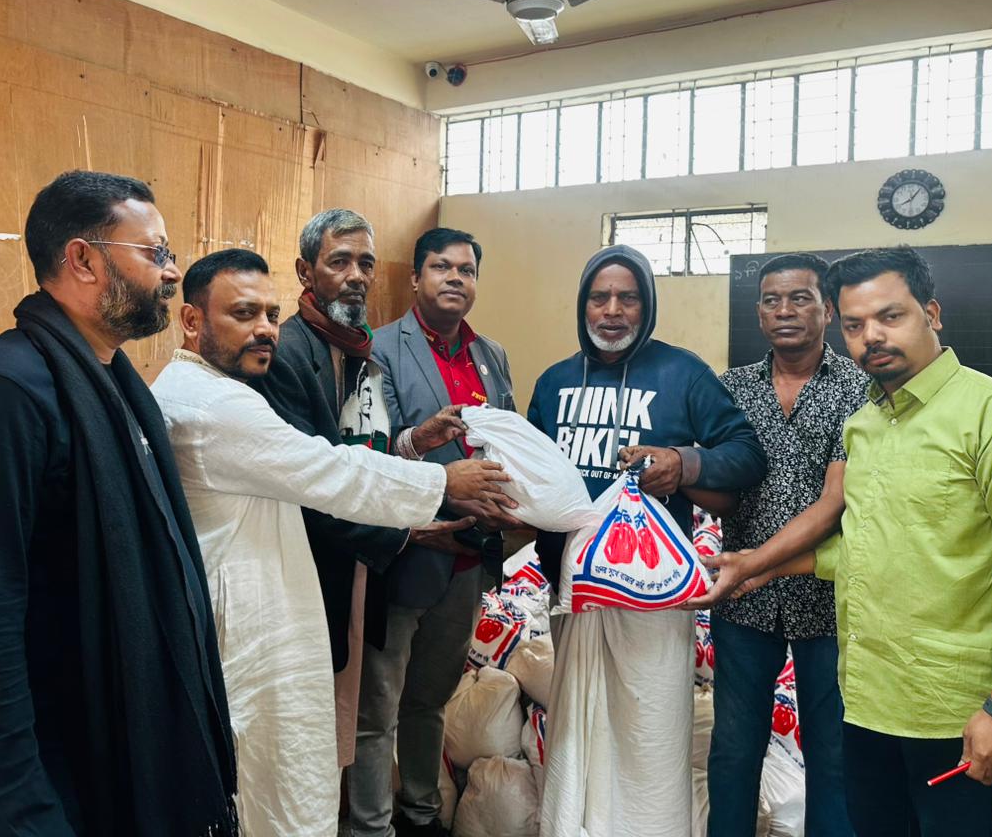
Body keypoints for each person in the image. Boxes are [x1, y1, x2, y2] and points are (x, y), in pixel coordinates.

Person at [150, 249, 510, 837]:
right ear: (191, 320)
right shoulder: (217, 403)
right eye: (243, 313)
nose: (265, 328)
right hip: (252, 622)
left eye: (270, 314)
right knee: (273, 783)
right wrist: (443, 481)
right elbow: (329, 469)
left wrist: (414, 451)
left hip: (260, 600)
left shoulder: (203, 385)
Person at [0, 171, 238, 837]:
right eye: (154, 252)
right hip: (57, 770)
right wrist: (22, 806)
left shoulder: (116, 384)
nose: (172, 272)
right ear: (84, 260)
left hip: (121, 747)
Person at [703, 246, 992, 837]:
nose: (872, 336)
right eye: (855, 324)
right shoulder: (867, 422)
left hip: (948, 705)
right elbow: (868, 546)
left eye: (890, 316)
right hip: (866, 694)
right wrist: (764, 567)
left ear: (932, 313)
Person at [528, 244, 766, 837]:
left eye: (628, 298)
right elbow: (532, 471)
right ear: (583, 305)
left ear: (647, 305)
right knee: (577, 732)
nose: (612, 310)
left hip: (653, 599)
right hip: (575, 595)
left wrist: (683, 463)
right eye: (599, 297)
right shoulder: (555, 383)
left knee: (649, 734)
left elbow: (746, 455)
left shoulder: (683, 374)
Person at [254, 209, 479, 768]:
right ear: (305, 271)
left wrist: (414, 443)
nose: (356, 275)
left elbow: (367, 457)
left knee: (353, 713)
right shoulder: (286, 354)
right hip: (313, 564)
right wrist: (409, 530)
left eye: (366, 263)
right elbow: (313, 481)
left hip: (362, 565)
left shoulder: (360, 354)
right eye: (340, 261)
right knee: (315, 728)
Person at [351, 227, 523, 837]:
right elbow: (369, 452)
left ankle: (421, 813)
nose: (455, 278)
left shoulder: (490, 354)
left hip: (469, 561)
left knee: (430, 699)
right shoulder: (377, 349)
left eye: (466, 270)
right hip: (405, 551)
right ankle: (370, 825)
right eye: (442, 267)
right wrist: (444, 490)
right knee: (377, 708)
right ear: (416, 278)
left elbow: (507, 440)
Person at [687, 253, 865, 837]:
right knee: (734, 748)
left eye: (800, 298)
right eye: (771, 300)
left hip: (830, 598)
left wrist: (753, 565)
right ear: (759, 313)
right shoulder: (730, 389)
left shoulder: (859, 388)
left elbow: (836, 502)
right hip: (744, 605)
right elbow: (723, 494)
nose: (784, 310)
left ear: (827, 309)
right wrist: (678, 470)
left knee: (833, 753)